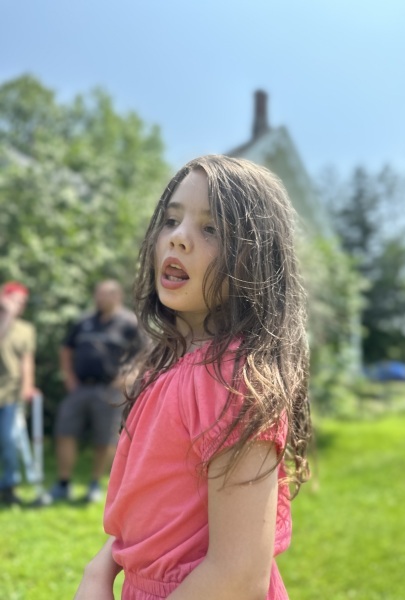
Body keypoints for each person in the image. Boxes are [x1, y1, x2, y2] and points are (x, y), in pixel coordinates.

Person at [74, 155, 311, 599]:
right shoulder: (167, 364)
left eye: (211, 228)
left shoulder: (234, 382)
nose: (178, 237)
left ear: (255, 260)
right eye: (171, 220)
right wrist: (100, 568)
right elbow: (151, 508)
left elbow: (238, 575)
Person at [48, 280, 142, 503]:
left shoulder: (130, 323)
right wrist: (69, 377)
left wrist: (128, 377)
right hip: (80, 388)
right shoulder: (84, 321)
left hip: (110, 390)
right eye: (97, 294)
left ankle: (95, 485)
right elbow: (66, 349)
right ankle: (63, 484)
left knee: (106, 438)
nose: (99, 298)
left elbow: (144, 354)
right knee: (64, 432)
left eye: (104, 294)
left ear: (117, 296)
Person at [0, 282, 37, 506]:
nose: (20, 306)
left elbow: (27, 362)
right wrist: (7, 316)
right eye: (16, 301)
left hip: (10, 395)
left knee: (9, 440)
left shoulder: (26, 329)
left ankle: (9, 486)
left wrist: (27, 387)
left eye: (23, 303)